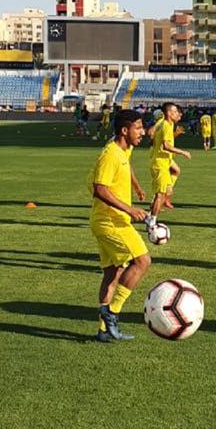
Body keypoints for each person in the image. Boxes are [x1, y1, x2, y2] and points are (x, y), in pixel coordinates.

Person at [89, 110, 151, 342]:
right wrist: (129, 209)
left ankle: (104, 330)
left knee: (112, 274)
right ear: (124, 130)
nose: (143, 132)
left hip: (106, 220)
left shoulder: (125, 149)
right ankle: (112, 312)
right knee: (142, 261)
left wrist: (135, 186)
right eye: (138, 128)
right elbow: (100, 188)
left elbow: (128, 164)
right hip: (111, 221)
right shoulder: (110, 155)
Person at [150, 103, 191, 218]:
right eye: (175, 112)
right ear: (168, 113)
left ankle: (152, 214)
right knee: (161, 194)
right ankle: (152, 222)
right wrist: (183, 152)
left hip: (164, 160)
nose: (178, 114)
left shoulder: (168, 124)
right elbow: (165, 146)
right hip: (160, 162)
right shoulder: (165, 124)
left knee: (166, 192)